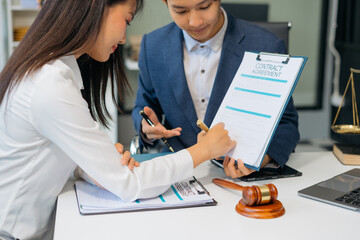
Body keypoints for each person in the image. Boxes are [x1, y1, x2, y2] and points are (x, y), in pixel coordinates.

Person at [0, 0, 235, 239]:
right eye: (127, 20)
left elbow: (63, 156)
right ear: (95, 7)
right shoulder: (49, 83)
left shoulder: (51, 71)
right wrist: (204, 149)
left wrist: (99, 165)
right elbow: (129, 184)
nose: (124, 38)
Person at [132, 0, 300, 178]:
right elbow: (143, 107)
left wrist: (262, 159)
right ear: (165, 3)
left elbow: (286, 124)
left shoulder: (266, 45)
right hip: (178, 170)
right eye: (181, 11)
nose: (195, 22)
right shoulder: (153, 46)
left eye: (204, 7)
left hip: (239, 175)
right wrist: (147, 126)